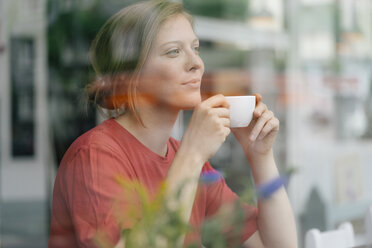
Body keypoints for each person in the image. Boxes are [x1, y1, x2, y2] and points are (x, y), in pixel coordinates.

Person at [48, 0, 297, 247]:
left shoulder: (190, 161)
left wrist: (260, 156)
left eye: (195, 49)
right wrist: (192, 154)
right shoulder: (94, 155)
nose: (196, 63)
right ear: (131, 76)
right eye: (173, 51)